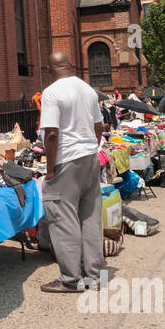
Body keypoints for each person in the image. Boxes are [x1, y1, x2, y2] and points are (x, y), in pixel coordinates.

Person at [37, 52, 106, 294]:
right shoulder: (87, 89)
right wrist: (93, 147)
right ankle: (97, 276)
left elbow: (52, 133)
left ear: (49, 68)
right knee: (90, 217)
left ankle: (70, 279)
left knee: (63, 218)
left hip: (67, 160)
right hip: (90, 157)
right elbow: (99, 125)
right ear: (70, 64)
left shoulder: (52, 92)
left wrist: (50, 169)